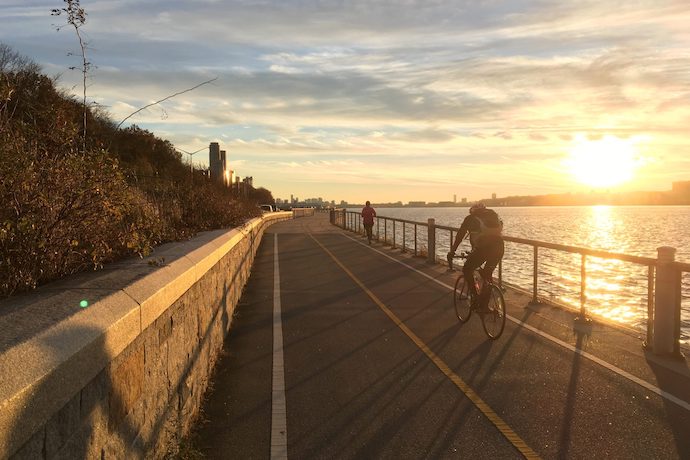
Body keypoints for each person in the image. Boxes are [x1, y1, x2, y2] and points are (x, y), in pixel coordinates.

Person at [447, 202, 504, 311]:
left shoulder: (470, 218)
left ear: (472, 210)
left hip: (483, 249)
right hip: (499, 248)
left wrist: (452, 252)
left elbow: (459, 236)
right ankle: (485, 306)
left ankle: (475, 297)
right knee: (487, 274)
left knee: (467, 268)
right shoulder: (493, 215)